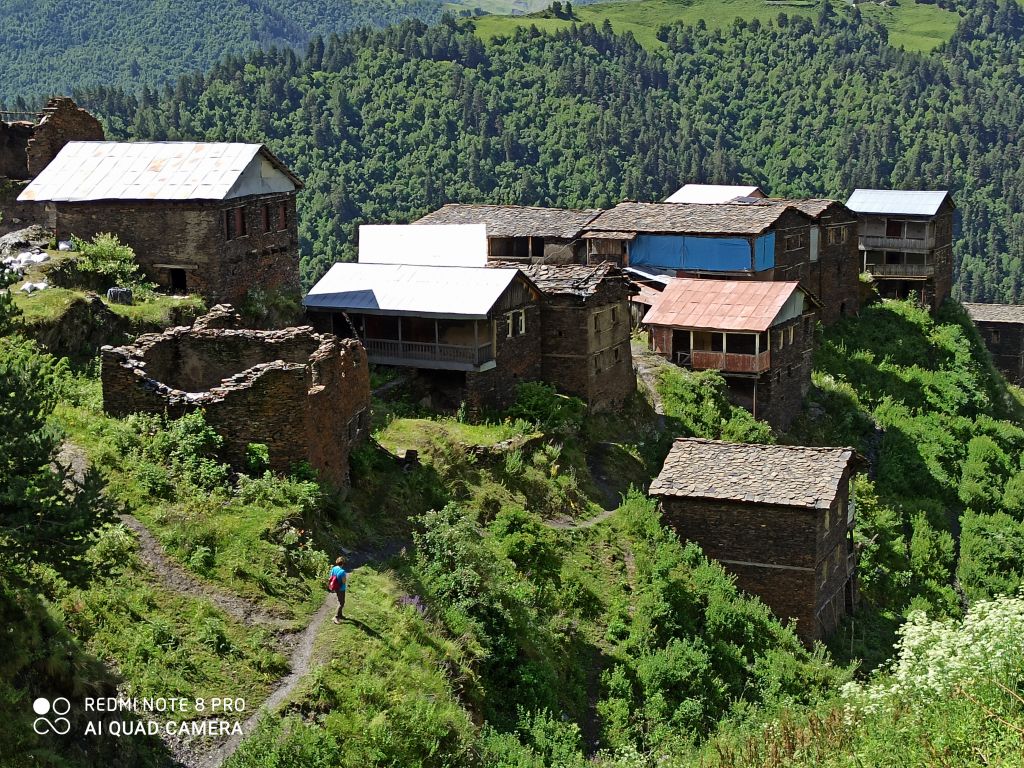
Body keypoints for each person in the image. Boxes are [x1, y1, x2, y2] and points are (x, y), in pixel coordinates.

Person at [329, 556, 348, 624]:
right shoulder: (342, 571)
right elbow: (343, 582)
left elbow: (331, 577)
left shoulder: (334, 568)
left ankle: (340, 615)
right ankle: (336, 617)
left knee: (340, 600)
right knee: (341, 603)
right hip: (341, 588)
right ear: (343, 563)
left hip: (335, 587)